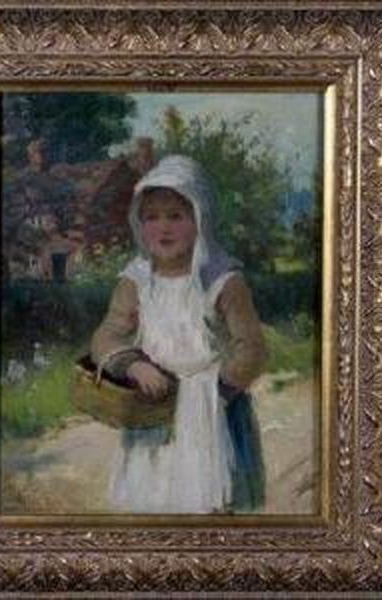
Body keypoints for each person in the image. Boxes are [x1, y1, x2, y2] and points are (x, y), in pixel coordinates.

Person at [91, 155, 267, 514]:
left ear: (200, 219)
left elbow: (251, 348)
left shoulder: (223, 279)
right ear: (139, 224)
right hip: (151, 408)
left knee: (215, 510)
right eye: (152, 217)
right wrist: (135, 367)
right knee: (152, 503)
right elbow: (106, 337)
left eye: (176, 216)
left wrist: (214, 392)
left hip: (214, 414)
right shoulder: (136, 280)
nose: (163, 228)